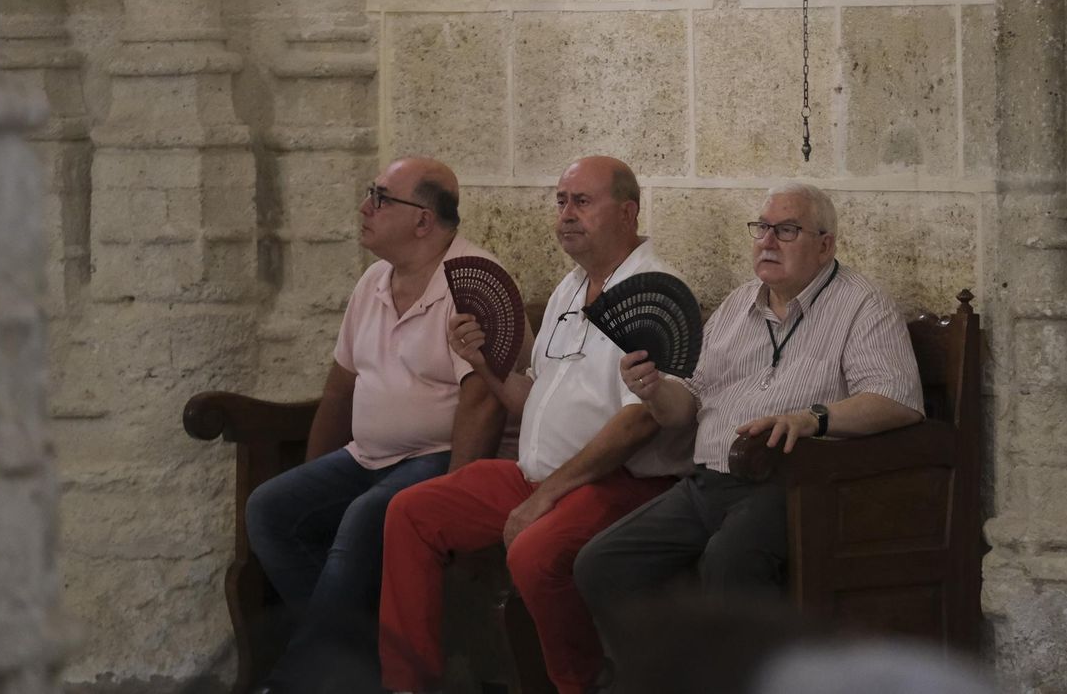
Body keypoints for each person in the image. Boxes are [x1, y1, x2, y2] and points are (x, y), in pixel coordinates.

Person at [378, 157, 693, 694]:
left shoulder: (654, 290)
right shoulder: (569, 289)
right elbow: (534, 399)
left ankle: (581, 682)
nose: (566, 214)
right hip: (537, 474)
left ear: (627, 212)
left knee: (534, 551)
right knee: (411, 511)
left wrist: (546, 496)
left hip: (619, 483)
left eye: (582, 202)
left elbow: (639, 423)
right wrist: (483, 365)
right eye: (561, 201)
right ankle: (408, 683)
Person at [573, 182, 924, 651]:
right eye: (761, 228)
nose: (767, 241)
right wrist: (655, 392)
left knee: (729, 562)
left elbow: (897, 398)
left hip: (791, 486)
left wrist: (810, 419)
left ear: (825, 245)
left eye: (787, 230)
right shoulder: (739, 305)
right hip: (708, 482)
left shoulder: (862, 305)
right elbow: (685, 407)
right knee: (601, 563)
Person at [244, 157, 512, 694]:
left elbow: (483, 405)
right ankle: (357, 658)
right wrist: (317, 472)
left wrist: (451, 498)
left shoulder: (475, 281)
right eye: (371, 194)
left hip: (436, 456)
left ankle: (301, 679)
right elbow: (342, 387)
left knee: (366, 516)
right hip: (365, 455)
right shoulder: (373, 281)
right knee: (271, 510)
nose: (365, 207)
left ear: (423, 220)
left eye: (382, 198)